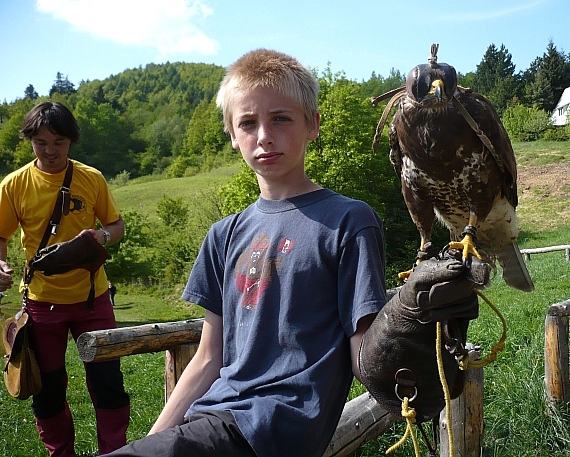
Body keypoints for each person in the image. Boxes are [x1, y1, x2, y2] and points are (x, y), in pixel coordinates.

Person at [101, 49, 476, 457]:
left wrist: (414, 343)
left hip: (278, 427)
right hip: (215, 420)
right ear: (231, 135)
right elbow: (209, 358)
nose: (264, 135)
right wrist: (151, 441)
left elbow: (363, 353)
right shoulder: (223, 235)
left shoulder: (349, 221)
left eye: (281, 118)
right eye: (247, 123)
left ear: (312, 124)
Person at [0, 101, 130, 457]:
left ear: (70, 141)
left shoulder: (91, 178)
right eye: (41, 142)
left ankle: (114, 451)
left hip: (94, 299)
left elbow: (116, 226)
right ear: (29, 141)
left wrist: (100, 238)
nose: (50, 150)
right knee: (49, 388)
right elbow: (1, 236)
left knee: (109, 384)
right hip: (42, 304)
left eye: (58, 141)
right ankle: (61, 453)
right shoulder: (14, 185)